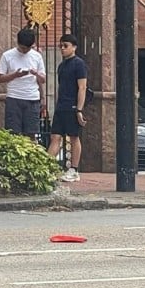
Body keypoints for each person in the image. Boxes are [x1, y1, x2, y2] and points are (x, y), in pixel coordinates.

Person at [48, 34, 87, 182]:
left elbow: (82, 87)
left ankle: (74, 169)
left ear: (74, 47)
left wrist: (79, 109)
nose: (63, 49)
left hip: (72, 105)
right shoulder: (61, 66)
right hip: (61, 105)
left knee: (73, 137)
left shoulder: (79, 64)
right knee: (55, 136)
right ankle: (47, 167)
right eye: (61, 46)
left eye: (66, 46)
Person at [0, 28, 46, 139]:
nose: (25, 51)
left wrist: (36, 73)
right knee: (13, 133)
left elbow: (42, 79)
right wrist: (15, 75)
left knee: (31, 133)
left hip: (32, 98)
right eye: (23, 48)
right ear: (17, 43)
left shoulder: (37, 56)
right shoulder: (7, 56)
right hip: (14, 98)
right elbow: (0, 78)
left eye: (28, 48)